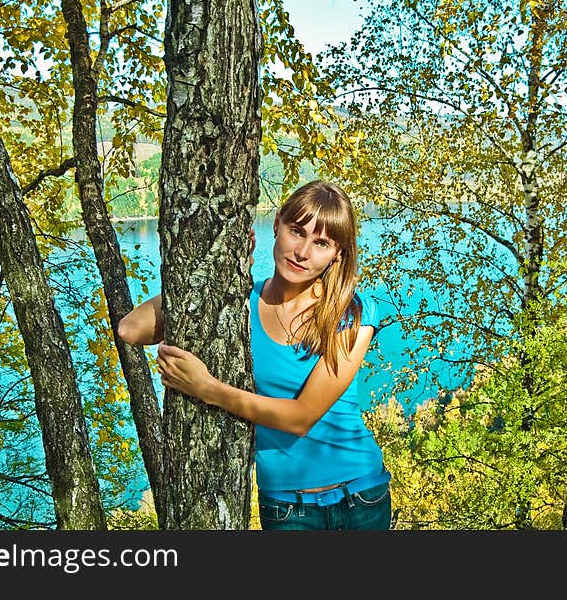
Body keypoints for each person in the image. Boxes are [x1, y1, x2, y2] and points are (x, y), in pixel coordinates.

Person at [117, 180, 391, 530]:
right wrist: (219, 272)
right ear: (276, 224)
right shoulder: (239, 302)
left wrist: (207, 389)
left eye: (321, 243)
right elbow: (130, 329)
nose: (303, 251)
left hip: (361, 498)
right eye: (296, 231)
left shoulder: (351, 312)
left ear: (337, 254)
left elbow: (301, 418)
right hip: (287, 507)